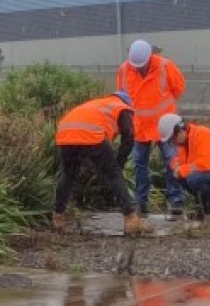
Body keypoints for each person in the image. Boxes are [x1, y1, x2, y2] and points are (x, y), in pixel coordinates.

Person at [52, 89, 148, 234]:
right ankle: (131, 219)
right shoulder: (122, 107)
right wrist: (119, 163)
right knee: (114, 175)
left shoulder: (97, 104)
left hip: (65, 135)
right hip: (91, 135)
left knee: (68, 174)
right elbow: (128, 137)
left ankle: (58, 217)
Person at [116, 39, 188, 219]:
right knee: (140, 165)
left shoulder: (165, 66)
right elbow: (123, 97)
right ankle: (141, 204)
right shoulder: (124, 70)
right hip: (139, 127)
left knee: (172, 161)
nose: (139, 68)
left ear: (151, 57)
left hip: (166, 125)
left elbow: (178, 88)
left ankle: (176, 201)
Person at [158, 113, 210, 219]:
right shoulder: (184, 144)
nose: (173, 143)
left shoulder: (202, 134)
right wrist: (176, 167)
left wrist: (181, 170)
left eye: (172, 139)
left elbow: (203, 164)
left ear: (179, 132)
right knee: (184, 177)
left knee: (194, 178)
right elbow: (178, 162)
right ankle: (207, 207)